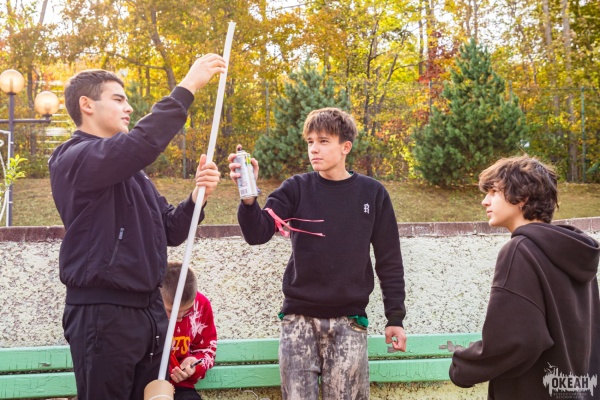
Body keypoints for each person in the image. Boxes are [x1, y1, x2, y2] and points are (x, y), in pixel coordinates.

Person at [48, 54, 226, 400]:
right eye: (118, 99)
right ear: (87, 105)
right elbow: (141, 144)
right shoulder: (73, 158)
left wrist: (197, 197)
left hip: (149, 313)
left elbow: (172, 230)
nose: (128, 107)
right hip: (104, 315)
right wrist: (188, 86)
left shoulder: (133, 175)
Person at [228, 107, 407, 400]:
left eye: (323, 141)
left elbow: (389, 261)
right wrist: (248, 198)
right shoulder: (296, 188)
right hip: (298, 321)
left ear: (345, 147)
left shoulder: (372, 193)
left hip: (349, 322)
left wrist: (395, 317)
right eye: (310, 141)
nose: (314, 148)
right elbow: (257, 234)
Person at [449, 156, 600, 399]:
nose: (484, 201)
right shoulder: (578, 255)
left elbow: (516, 340)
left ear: (522, 197)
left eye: (494, 192)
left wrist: (462, 367)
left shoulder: (520, 250)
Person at [160, 261, 217, 400]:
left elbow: (208, 349)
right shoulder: (146, 308)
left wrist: (195, 364)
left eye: (187, 310)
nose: (179, 317)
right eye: (171, 311)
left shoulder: (202, 304)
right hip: (149, 383)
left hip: (182, 385)